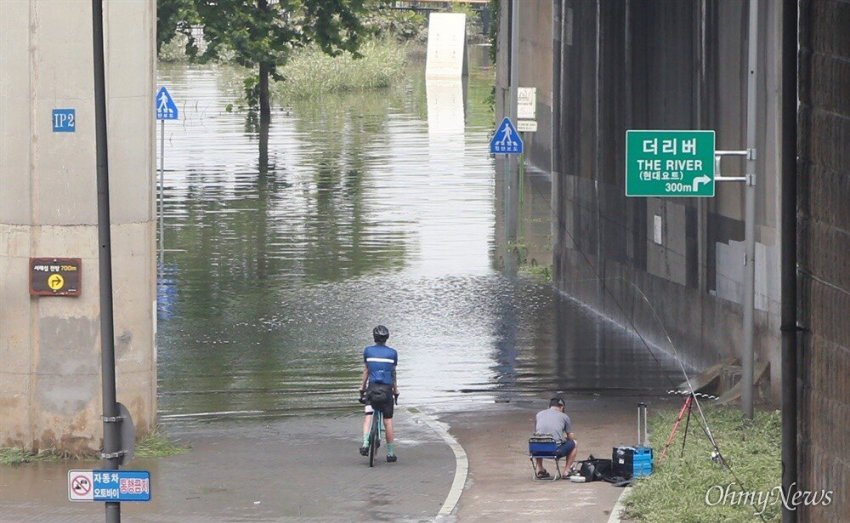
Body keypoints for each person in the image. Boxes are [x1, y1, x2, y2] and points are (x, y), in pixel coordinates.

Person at [359, 325, 399, 462]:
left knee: (368, 415)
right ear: (386, 338)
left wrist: (362, 389)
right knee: (388, 420)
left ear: (374, 337)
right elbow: (393, 373)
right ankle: (390, 453)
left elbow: (366, 372)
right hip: (387, 390)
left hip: (372, 389)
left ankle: (365, 443)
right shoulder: (393, 353)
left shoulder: (368, 351)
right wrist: (396, 390)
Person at [534, 397, 578, 479]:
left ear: (549, 406)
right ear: (562, 407)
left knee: (539, 441)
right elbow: (570, 437)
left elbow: (538, 433)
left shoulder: (539, 414)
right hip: (554, 451)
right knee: (574, 443)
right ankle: (566, 471)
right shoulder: (564, 416)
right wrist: (565, 438)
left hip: (537, 450)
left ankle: (541, 469)